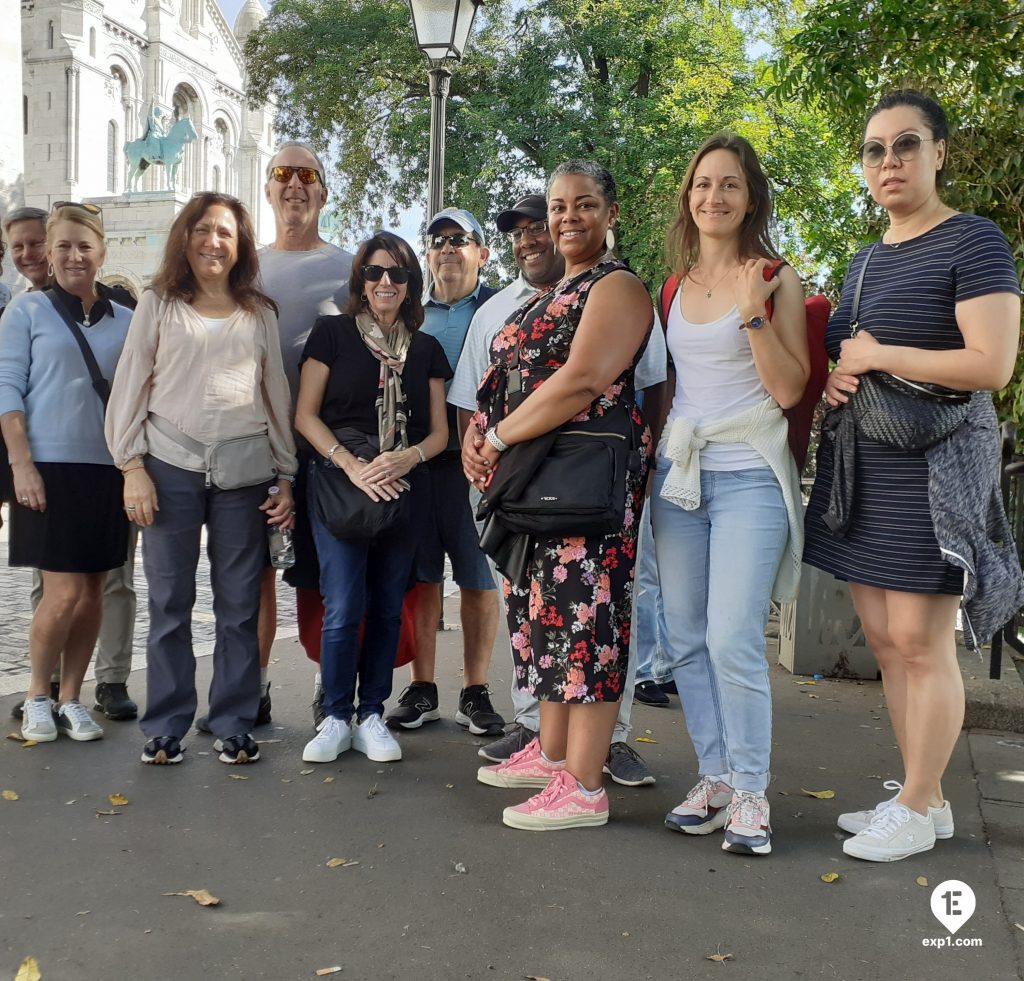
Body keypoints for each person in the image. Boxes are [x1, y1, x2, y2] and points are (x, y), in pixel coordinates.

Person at [803, 90, 1022, 862]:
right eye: (875, 149)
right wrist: (839, 376)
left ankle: (923, 799)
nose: (888, 161)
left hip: (936, 471)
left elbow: (990, 363)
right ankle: (916, 796)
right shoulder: (867, 259)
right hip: (869, 470)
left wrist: (874, 356)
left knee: (924, 644)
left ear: (939, 153)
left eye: (905, 145)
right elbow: (848, 350)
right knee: (888, 642)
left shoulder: (975, 241)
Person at [449, 193, 665, 787]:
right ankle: (552, 755)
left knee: (587, 622)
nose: (568, 217)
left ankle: (584, 783)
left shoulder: (617, 287)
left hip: (585, 479)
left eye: (585, 204)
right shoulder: (551, 294)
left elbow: (583, 380)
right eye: (559, 206)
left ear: (612, 213)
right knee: (545, 618)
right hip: (536, 476)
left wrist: (495, 438)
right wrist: (479, 434)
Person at [652, 133, 809, 856]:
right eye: (703, 184)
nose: (713, 197)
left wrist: (751, 311)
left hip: (749, 471)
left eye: (730, 185)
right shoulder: (674, 288)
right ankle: (713, 776)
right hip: (681, 476)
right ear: (689, 197)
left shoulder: (776, 279)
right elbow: (674, 387)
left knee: (730, 636)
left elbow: (787, 388)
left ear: (751, 198)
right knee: (684, 636)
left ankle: (751, 788)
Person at [105, 192, 297, 766]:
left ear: (240, 246)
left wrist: (285, 475)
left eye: (226, 233)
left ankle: (234, 721)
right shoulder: (160, 303)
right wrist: (131, 466)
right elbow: (132, 383)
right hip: (168, 467)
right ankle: (165, 723)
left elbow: (275, 394)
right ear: (185, 237)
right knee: (170, 601)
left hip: (243, 473)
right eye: (203, 230)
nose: (213, 241)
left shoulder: (259, 311)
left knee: (239, 604)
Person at [192, 141, 355, 734]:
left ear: (323, 191)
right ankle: (250, 691)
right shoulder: (243, 268)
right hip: (251, 447)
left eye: (306, 174)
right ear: (267, 189)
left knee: (326, 575)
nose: (294, 185)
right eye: (282, 174)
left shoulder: (348, 268)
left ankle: (327, 690)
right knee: (249, 577)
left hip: (324, 448)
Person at [295, 232, 450, 764]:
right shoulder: (332, 334)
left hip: (405, 488)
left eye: (398, 273)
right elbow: (305, 415)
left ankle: (372, 714)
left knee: (387, 608)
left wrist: (408, 458)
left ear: (411, 284)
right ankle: (336, 715)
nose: (386, 282)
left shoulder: (426, 349)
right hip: (341, 487)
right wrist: (352, 465)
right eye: (375, 272)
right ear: (360, 281)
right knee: (343, 605)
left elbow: (439, 435)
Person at [0, 202, 133, 744]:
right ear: (50, 255)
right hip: (46, 468)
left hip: (107, 470)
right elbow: (8, 390)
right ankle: (37, 694)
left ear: (101, 253)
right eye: (63, 246)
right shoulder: (25, 313)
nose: (74, 255)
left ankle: (72, 697)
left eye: (85, 246)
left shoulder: (128, 321)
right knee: (60, 593)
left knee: (95, 592)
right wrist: (20, 465)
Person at [385, 207, 505, 738]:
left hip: (484, 464)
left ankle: (476, 689)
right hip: (420, 464)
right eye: (438, 241)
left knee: (479, 579)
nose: (449, 249)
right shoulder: (411, 316)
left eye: (461, 239)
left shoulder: (501, 310)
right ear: (427, 255)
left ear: (481, 252)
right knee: (424, 575)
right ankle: (423, 685)